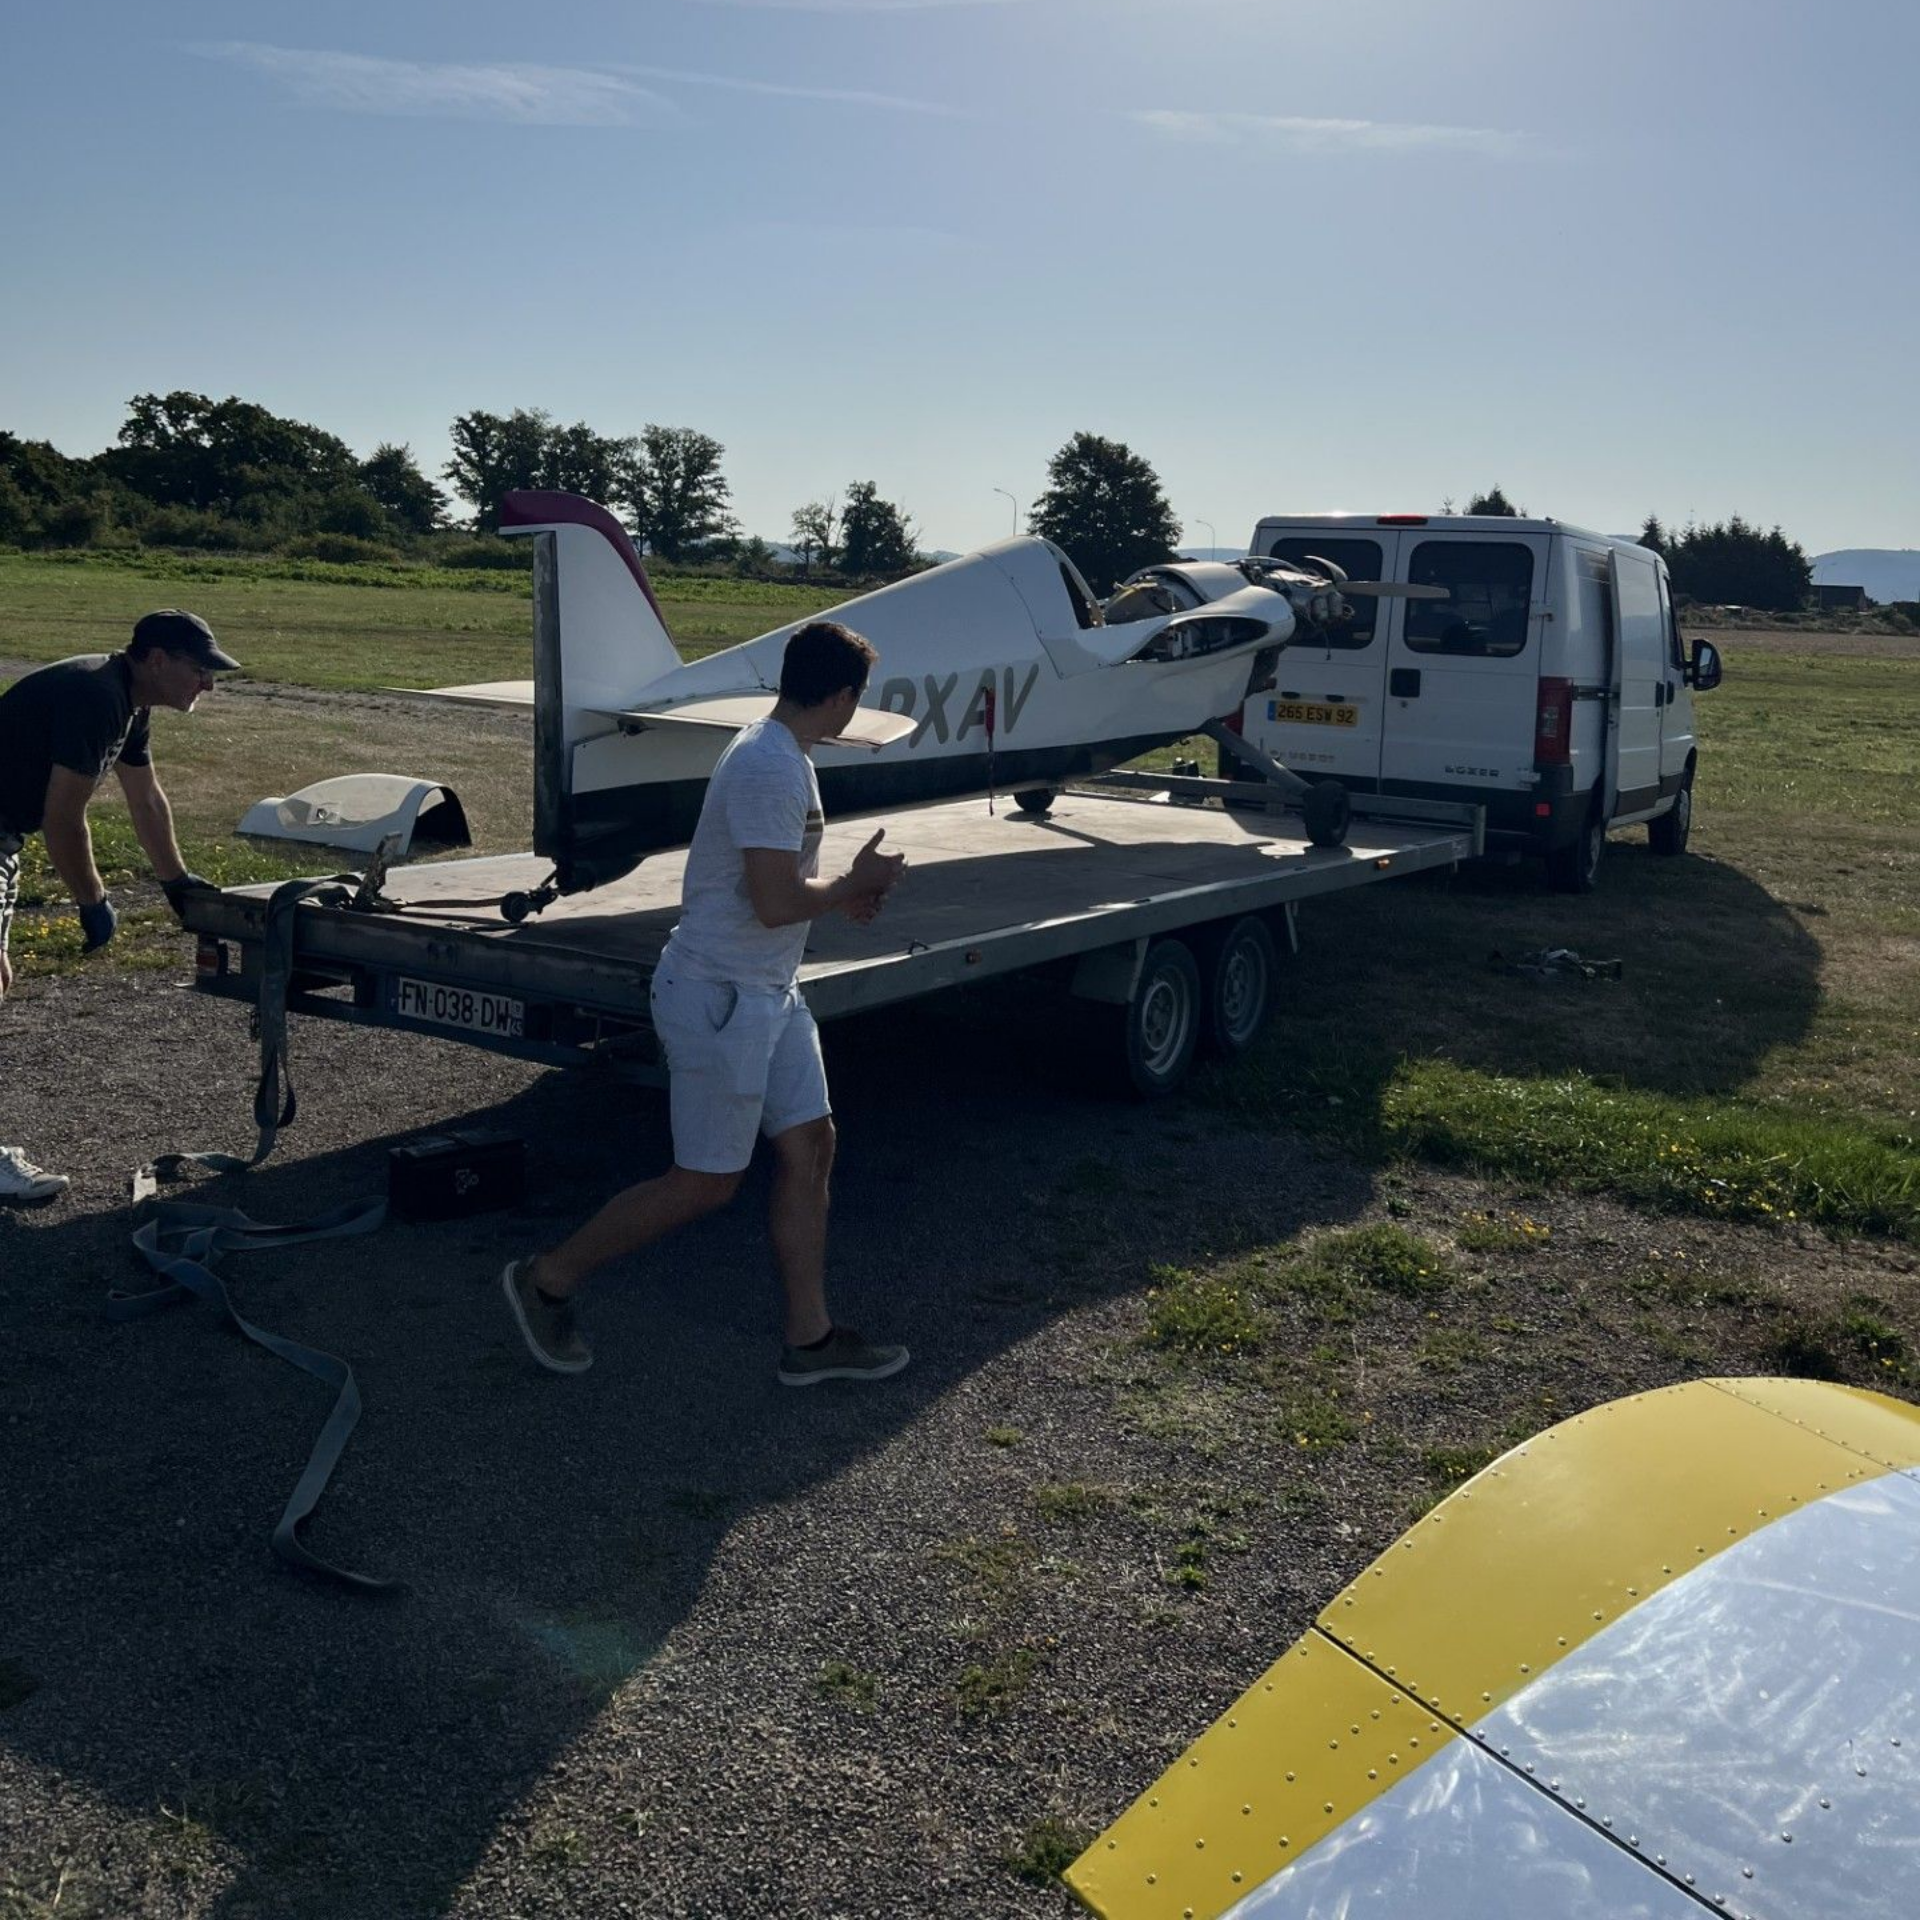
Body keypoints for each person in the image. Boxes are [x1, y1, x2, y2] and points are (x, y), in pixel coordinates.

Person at [501, 619, 910, 1385]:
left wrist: (840, 897)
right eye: (860, 697)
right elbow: (773, 901)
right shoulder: (769, 767)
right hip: (721, 996)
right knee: (706, 1183)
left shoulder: (786, 753)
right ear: (845, 696)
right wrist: (852, 885)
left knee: (812, 1142)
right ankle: (546, 1279)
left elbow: (785, 895)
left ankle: (810, 1340)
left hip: (766, 991)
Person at [0, 609, 241, 1204]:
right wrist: (93, 902)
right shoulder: (96, 698)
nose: (207, 684)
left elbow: (146, 799)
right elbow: (63, 819)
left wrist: (176, 881)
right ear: (156, 659)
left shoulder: (127, 701)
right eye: (200, 670)